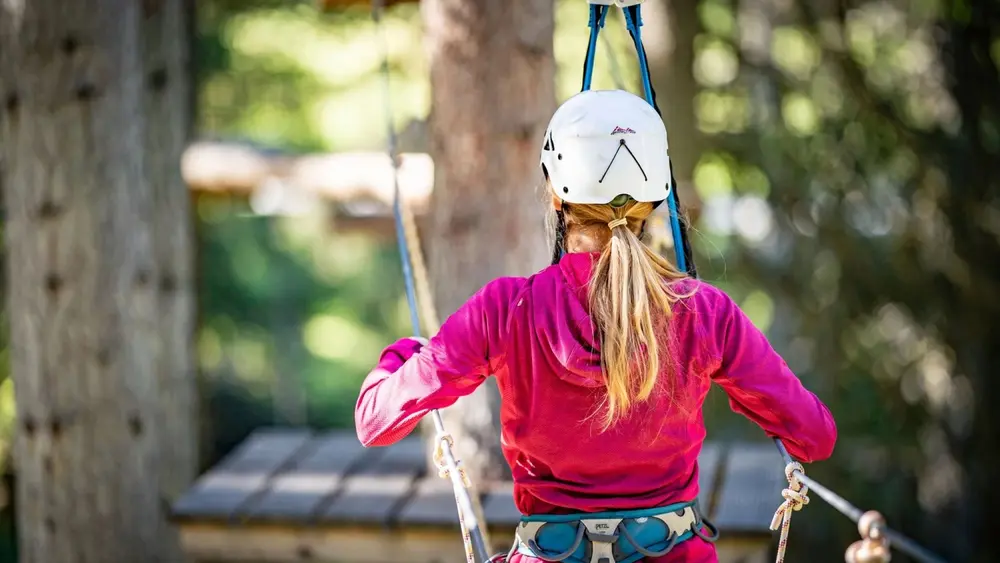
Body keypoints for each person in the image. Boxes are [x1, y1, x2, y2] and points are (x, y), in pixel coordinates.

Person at [355, 89, 837, 563]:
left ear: (554, 194)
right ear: (658, 195)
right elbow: (815, 437)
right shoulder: (702, 311)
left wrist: (402, 355)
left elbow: (375, 421)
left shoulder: (505, 309)